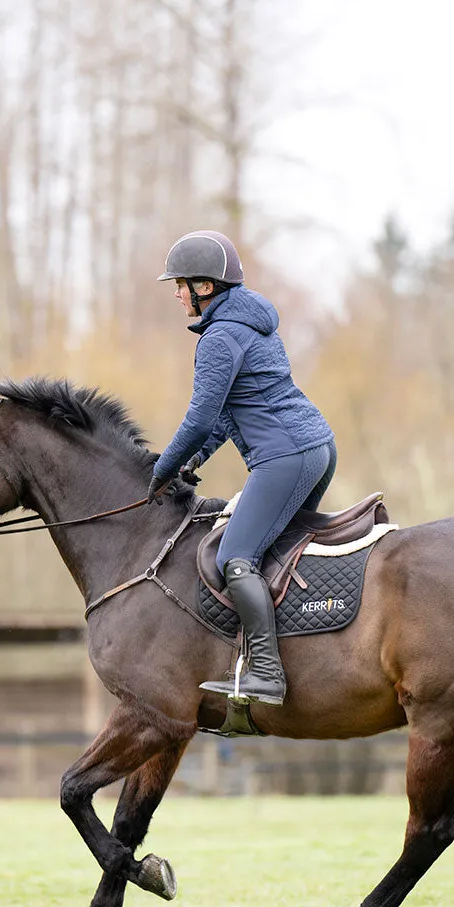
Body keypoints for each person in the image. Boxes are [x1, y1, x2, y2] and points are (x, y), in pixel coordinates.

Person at [148, 230, 336, 706]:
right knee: (273, 553)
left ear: (204, 288)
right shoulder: (250, 325)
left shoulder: (220, 337)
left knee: (236, 557)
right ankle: (305, 654)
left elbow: (200, 417)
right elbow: (229, 416)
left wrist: (161, 470)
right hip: (316, 449)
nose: (176, 293)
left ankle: (268, 675)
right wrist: (192, 461)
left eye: (181, 284)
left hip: (285, 458)